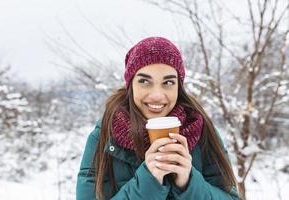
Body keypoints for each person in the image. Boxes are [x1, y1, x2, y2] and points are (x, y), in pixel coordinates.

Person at [76, 37, 239, 200]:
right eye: (144, 81)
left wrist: (188, 183)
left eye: (168, 82)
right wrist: (147, 183)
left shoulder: (203, 132)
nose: (156, 95)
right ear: (131, 84)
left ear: (178, 86)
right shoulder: (105, 135)